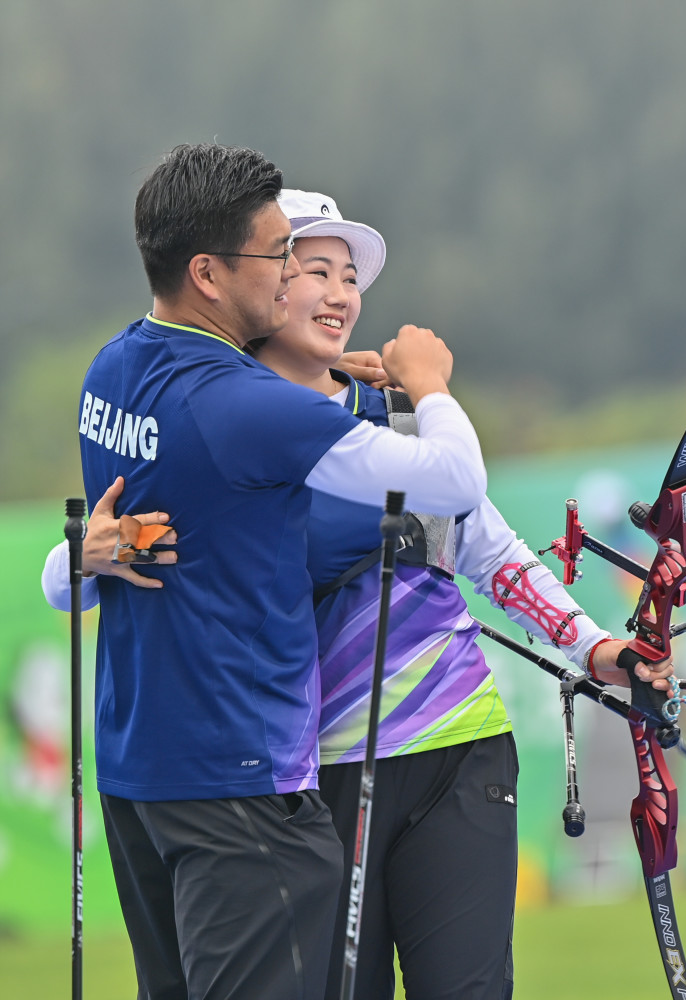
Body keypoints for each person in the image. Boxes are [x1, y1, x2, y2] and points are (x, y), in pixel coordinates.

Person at [45, 183, 674, 1000]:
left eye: (350, 277)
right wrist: (83, 560)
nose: (339, 294)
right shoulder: (225, 417)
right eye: (308, 268)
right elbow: (120, 565)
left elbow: (490, 553)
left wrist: (595, 647)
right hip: (315, 775)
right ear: (261, 288)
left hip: (454, 746)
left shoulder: (398, 420)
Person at [68, 144, 490, 1000]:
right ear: (208, 274)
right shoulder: (244, 403)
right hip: (241, 786)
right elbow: (455, 483)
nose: (292, 277)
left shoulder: (112, 370)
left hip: (139, 778)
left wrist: (74, 559)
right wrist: (427, 384)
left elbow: (133, 536)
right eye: (279, 257)